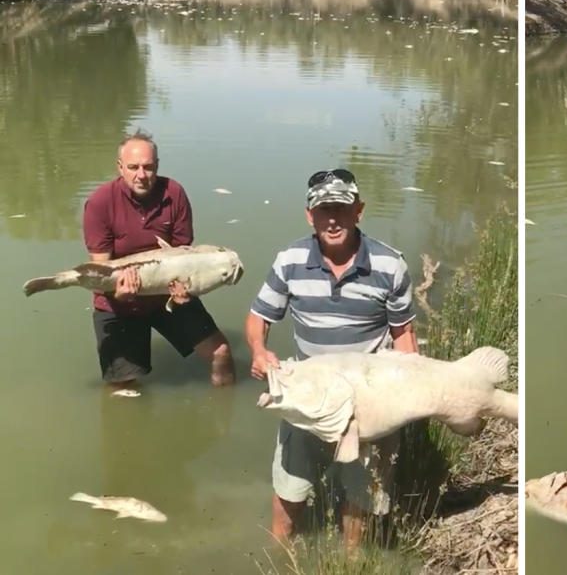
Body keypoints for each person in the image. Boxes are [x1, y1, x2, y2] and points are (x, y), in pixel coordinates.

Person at [245, 168, 417, 548]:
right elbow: (259, 317)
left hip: (367, 402)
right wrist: (259, 351)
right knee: (289, 495)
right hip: (307, 395)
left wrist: (409, 401)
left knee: (358, 502)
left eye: (342, 208)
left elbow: (404, 337)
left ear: (359, 210)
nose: (333, 219)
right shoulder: (289, 260)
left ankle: (350, 561)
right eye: (324, 210)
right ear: (310, 215)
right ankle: (283, 560)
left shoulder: (390, 265)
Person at [83, 131, 236, 388]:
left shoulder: (173, 193)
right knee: (124, 386)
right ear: (120, 167)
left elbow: (185, 257)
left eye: (148, 167)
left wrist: (185, 291)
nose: (141, 175)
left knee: (220, 353)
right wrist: (119, 294)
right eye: (133, 167)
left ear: (157, 166)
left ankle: (223, 419)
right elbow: (101, 273)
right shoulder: (100, 202)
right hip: (118, 304)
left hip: (168, 295)